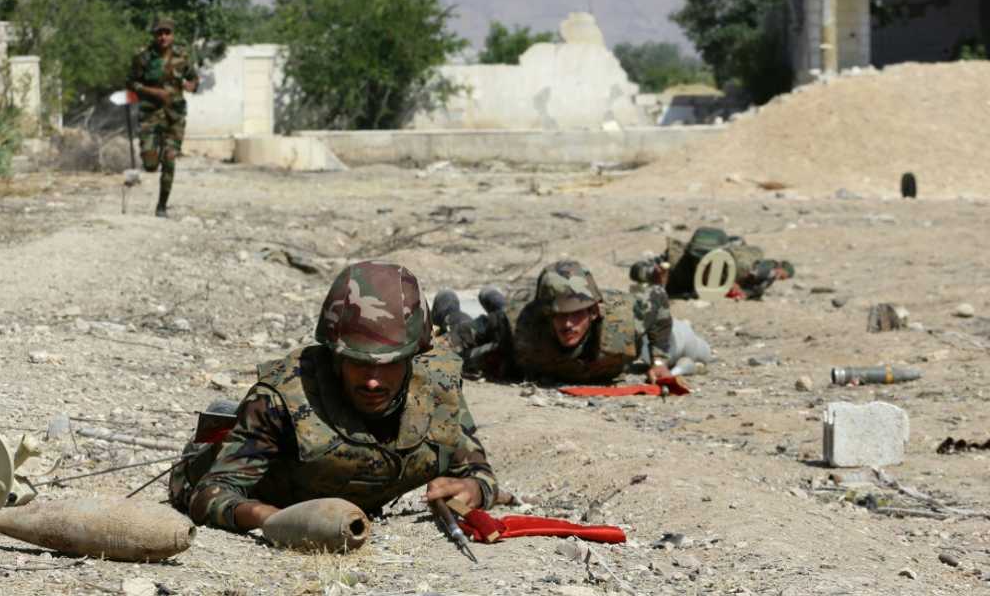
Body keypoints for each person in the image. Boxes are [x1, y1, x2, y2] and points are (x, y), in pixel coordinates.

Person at [169, 261, 499, 533]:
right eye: (358, 363)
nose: (373, 381)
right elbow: (209, 493)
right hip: (252, 486)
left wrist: (473, 490)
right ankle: (228, 421)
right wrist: (272, 519)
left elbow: (479, 473)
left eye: (390, 364)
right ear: (334, 356)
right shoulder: (284, 398)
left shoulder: (437, 388)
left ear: (415, 355)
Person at [433, 260, 710, 385]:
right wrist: (435, 352)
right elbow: (470, 333)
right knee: (475, 350)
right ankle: (449, 307)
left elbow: (659, 298)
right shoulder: (521, 322)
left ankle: (492, 297)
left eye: (576, 314)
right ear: (546, 315)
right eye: (560, 316)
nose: (568, 324)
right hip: (514, 346)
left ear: (594, 312)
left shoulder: (624, 315)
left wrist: (659, 361)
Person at [126, 17, 199, 217]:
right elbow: (131, 83)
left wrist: (192, 85)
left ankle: (161, 206)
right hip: (150, 115)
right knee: (150, 165)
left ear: (172, 35)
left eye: (167, 32)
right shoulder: (143, 58)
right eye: (159, 33)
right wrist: (153, 92)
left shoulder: (182, 56)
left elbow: (193, 78)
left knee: (170, 159)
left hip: (174, 116)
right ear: (154, 35)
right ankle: (152, 155)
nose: (163, 37)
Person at [628, 226, 794, 300]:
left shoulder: (742, 266)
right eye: (697, 257)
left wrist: (779, 273)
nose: (702, 263)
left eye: (708, 258)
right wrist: (653, 274)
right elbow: (636, 271)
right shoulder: (677, 263)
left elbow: (785, 267)